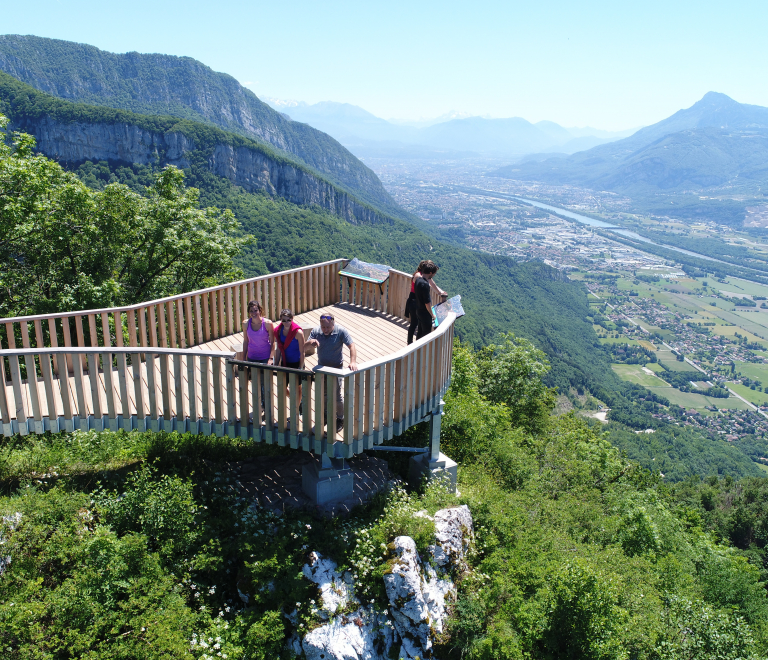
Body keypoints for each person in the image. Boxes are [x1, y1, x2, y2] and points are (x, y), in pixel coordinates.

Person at [306, 313, 358, 434]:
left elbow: (352, 346)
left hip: (336, 368)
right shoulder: (316, 331)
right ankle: (325, 416)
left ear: (333, 323)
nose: (325, 330)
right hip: (322, 369)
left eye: (328, 327)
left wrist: (353, 361)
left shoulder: (340, 331)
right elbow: (303, 348)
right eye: (323, 327)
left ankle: (340, 418)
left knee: (336, 396)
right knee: (323, 395)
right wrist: (310, 342)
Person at [241, 300, 275, 413]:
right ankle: (260, 406)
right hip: (252, 357)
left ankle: (266, 406)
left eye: (255, 310)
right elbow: (245, 341)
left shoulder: (268, 323)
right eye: (251, 311)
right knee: (255, 382)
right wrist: (243, 358)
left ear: (260, 310)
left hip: (265, 357)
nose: (253, 313)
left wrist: (271, 358)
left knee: (265, 383)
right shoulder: (246, 323)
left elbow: (273, 342)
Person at [407, 260, 446, 344]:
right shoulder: (424, 284)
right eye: (434, 274)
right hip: (424, 312)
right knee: (425, 335)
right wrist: (432, 315)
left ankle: (415, 349)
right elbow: (427, 303)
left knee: (420, 332)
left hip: (418, 310)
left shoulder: (418, 280)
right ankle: (420, 353)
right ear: (431, 273)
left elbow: (431, 282)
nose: (434, 276)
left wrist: (440, 292)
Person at [275, 308, 305, 413]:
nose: (286, 322)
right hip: (285, 363)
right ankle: (295, 399)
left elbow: (302, 351)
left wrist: (301, 367)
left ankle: (296, 410)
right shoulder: (279, 331)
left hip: (296, 363)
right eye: (284, 320)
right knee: (282, 387)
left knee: (298, 388)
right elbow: (278, 349)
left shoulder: (298, 332)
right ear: (281, 320)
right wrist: (275, 365)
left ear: (292, 319)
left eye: (289, 320)